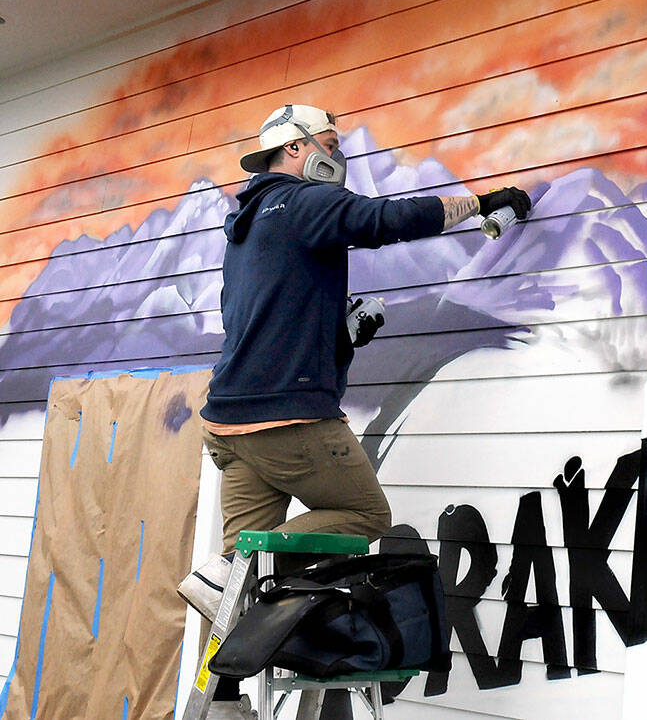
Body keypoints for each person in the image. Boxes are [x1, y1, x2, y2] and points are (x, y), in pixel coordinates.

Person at [179, 104, 530, 718]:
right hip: (288, 419)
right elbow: (383, 220)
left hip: (230, 421)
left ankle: (223, 701)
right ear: (295, 148)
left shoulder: (246, 228)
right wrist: (479, 203)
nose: (338, 155)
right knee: (364, 515)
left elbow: (258, 323)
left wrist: (338, 339)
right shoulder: (301, 201)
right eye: (330, 143)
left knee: (238, 593)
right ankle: (228, 571)